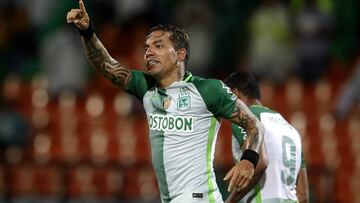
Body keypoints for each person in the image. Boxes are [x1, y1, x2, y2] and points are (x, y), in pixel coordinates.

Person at [66, 1, 264, 203]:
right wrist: (87, 31)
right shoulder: (146, 87)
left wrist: (248, 160)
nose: (148, 52)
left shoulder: (207, 90)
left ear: (180, 54)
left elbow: (253, 124)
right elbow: (105, 64)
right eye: (147, 47)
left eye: (158, 45)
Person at [223, 71, 309, 203]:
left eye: (225, 99)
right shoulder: (291, 130)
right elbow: (303, 195)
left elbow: (259, 163)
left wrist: (230, 201)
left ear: (235, 94)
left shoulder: (246, 120)